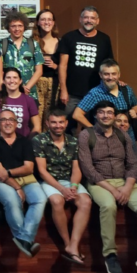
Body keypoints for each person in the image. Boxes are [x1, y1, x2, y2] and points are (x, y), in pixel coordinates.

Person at [78, 101, 137, 273]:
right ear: (95, 115)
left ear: (114, 116)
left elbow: (132, 164)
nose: (106, 115)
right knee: (108, 206)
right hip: (100, 183)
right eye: (102, 112)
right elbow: (88, 170)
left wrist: (127, 187)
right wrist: (114, 191)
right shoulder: (86, 135)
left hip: (124, 181)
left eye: (109, 112)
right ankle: (110, 254)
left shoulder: (123, 135)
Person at [34, 109, 92, 264]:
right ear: (47, 124)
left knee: (86, 202)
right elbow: (42, 171)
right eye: (53, 122)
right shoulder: (39, 140)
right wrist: (62, 190)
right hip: (49, 181)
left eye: (61, 122)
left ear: (66, 123)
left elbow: (76, 169)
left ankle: (74, 245)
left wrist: (73, 186)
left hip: (69, 180)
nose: (57, 125)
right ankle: (68, 244)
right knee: (57, 201)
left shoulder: (73, 141)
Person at [0, 108, 47, 257]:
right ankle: (25, 238)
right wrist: (16, 186)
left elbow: (29, 168)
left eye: (11, 120)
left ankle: (24, 238)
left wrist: (10, 173)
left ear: (16, 123)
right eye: (3, 120)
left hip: (25, 179)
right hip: (2, 182)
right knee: (12, 199)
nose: (8, 123)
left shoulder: (25, 141)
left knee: (40, 199)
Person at [59, 6, 115, 118]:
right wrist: (63, 90)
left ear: (97, 21)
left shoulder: (104, 39)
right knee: (70, 126)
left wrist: (116, 81)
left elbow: (110, 65)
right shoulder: (69, 37)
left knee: (95, 126)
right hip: (72, 93)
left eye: (92, 18)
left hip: (97, 92)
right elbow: (62, 66)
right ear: (80, 19)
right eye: (86, 17)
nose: (89, 20)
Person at [73, 59, 137, 132]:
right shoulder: (94, 93)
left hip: (128, 136)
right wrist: (94, 131)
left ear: (119, 74)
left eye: (114, 74)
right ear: (100, 75)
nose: (110, 77)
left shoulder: (127, 89)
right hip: (106, 139)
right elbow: (77, 115)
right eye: (106, 74)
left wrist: (134, 111)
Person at [0, 12, 43, 101]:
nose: (17, 29)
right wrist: (3, 91)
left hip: (29, 94)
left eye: (20, 26)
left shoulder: (33, 44)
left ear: (24, 27)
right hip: (8, 94)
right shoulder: (1, 44)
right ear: (8, 28)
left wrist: (26, 88)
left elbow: (39, 71)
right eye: (13, 26)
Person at [0, 67, 41, 137]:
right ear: (3, 81)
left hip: (22, 143)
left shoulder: (29, 100)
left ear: (20, 81)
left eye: (15, 77)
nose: (12, 81)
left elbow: (37, 127)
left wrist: (29, 142)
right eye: (8, 78)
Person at [33, 9, 61, 123]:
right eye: (43, 19)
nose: (46, 22)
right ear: (38, 22)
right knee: (36, 115)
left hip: (55, 84)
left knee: (52, 116)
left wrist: (56, 66)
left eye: (49, 19)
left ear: (53, 23)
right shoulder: (31, 42)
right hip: (36, 84)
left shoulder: (61, 42)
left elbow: (67, 67)